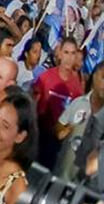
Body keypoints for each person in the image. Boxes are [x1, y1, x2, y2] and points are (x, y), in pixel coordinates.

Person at [33, 37, 84, 170]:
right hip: (39, 134)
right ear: (59, 53)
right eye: (66, 52)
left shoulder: (77, 87)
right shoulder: (45, 78)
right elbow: (34, 105)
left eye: (73, 53)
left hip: (57, 143)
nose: (69, 57)